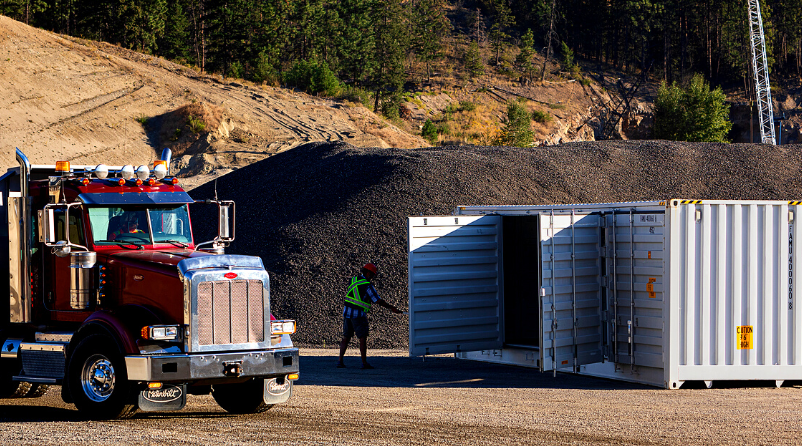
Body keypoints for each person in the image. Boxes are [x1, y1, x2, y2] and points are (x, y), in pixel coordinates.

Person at [337, 263, 402, 369]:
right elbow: (377, 300)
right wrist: (391, 308)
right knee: (362, 338)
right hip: (358, 314)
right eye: (372, 275)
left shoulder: (353, 280)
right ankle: (364, 363)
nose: (372, 278)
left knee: (346, 337)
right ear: (368, 273)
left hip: (347, 312)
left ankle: (340, 361)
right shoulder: (367, 285)